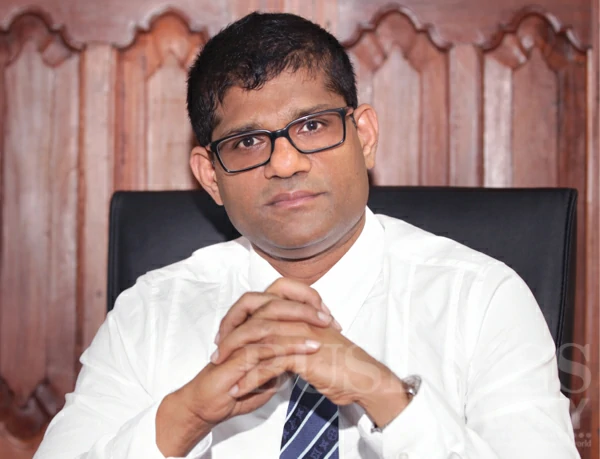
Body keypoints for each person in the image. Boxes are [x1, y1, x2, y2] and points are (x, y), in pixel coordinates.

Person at [35, 11, 579, 459]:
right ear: (210, 177)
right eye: (248, 142)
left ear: (364, 136)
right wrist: (188, 414)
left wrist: (384, 394)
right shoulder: (151, 314)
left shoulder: (481, 300)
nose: (285, 163)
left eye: (312, 126)